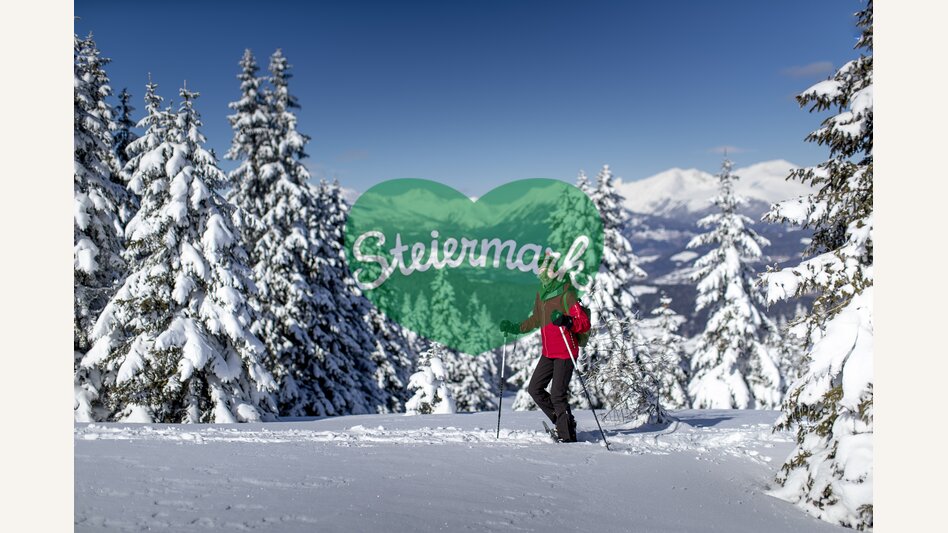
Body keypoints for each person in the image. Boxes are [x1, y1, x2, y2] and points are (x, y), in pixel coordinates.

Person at [499, 266, 590, 442]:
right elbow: (536, 319)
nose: (542, 273)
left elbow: (583, 323)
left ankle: (567, 436)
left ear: (555, 271)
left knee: (557, 395)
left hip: (565, 351)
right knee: (535, 389)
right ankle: (565, 422)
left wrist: (566, 320)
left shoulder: (566, 293)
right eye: (540, 269)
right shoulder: (542, 293)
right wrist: (515, 327)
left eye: (546, 269)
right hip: (548, 352)